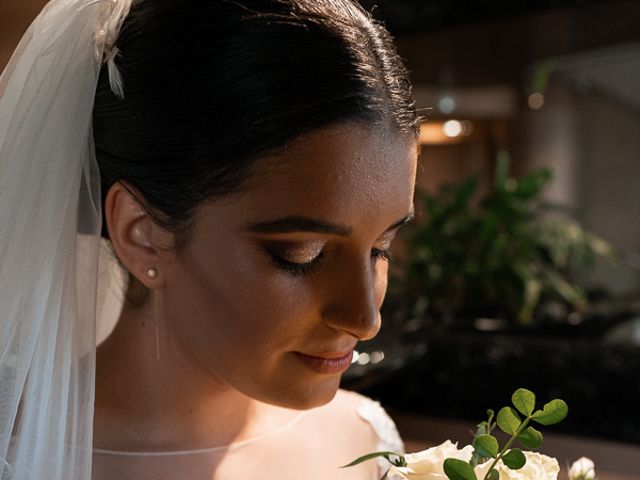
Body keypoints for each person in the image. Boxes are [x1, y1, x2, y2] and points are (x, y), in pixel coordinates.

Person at [0, 0, 419, 478]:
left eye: (381, 248)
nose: (365, 319)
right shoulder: (15, 458)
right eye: (302, 256)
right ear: (142, 236)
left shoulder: (363, 443)